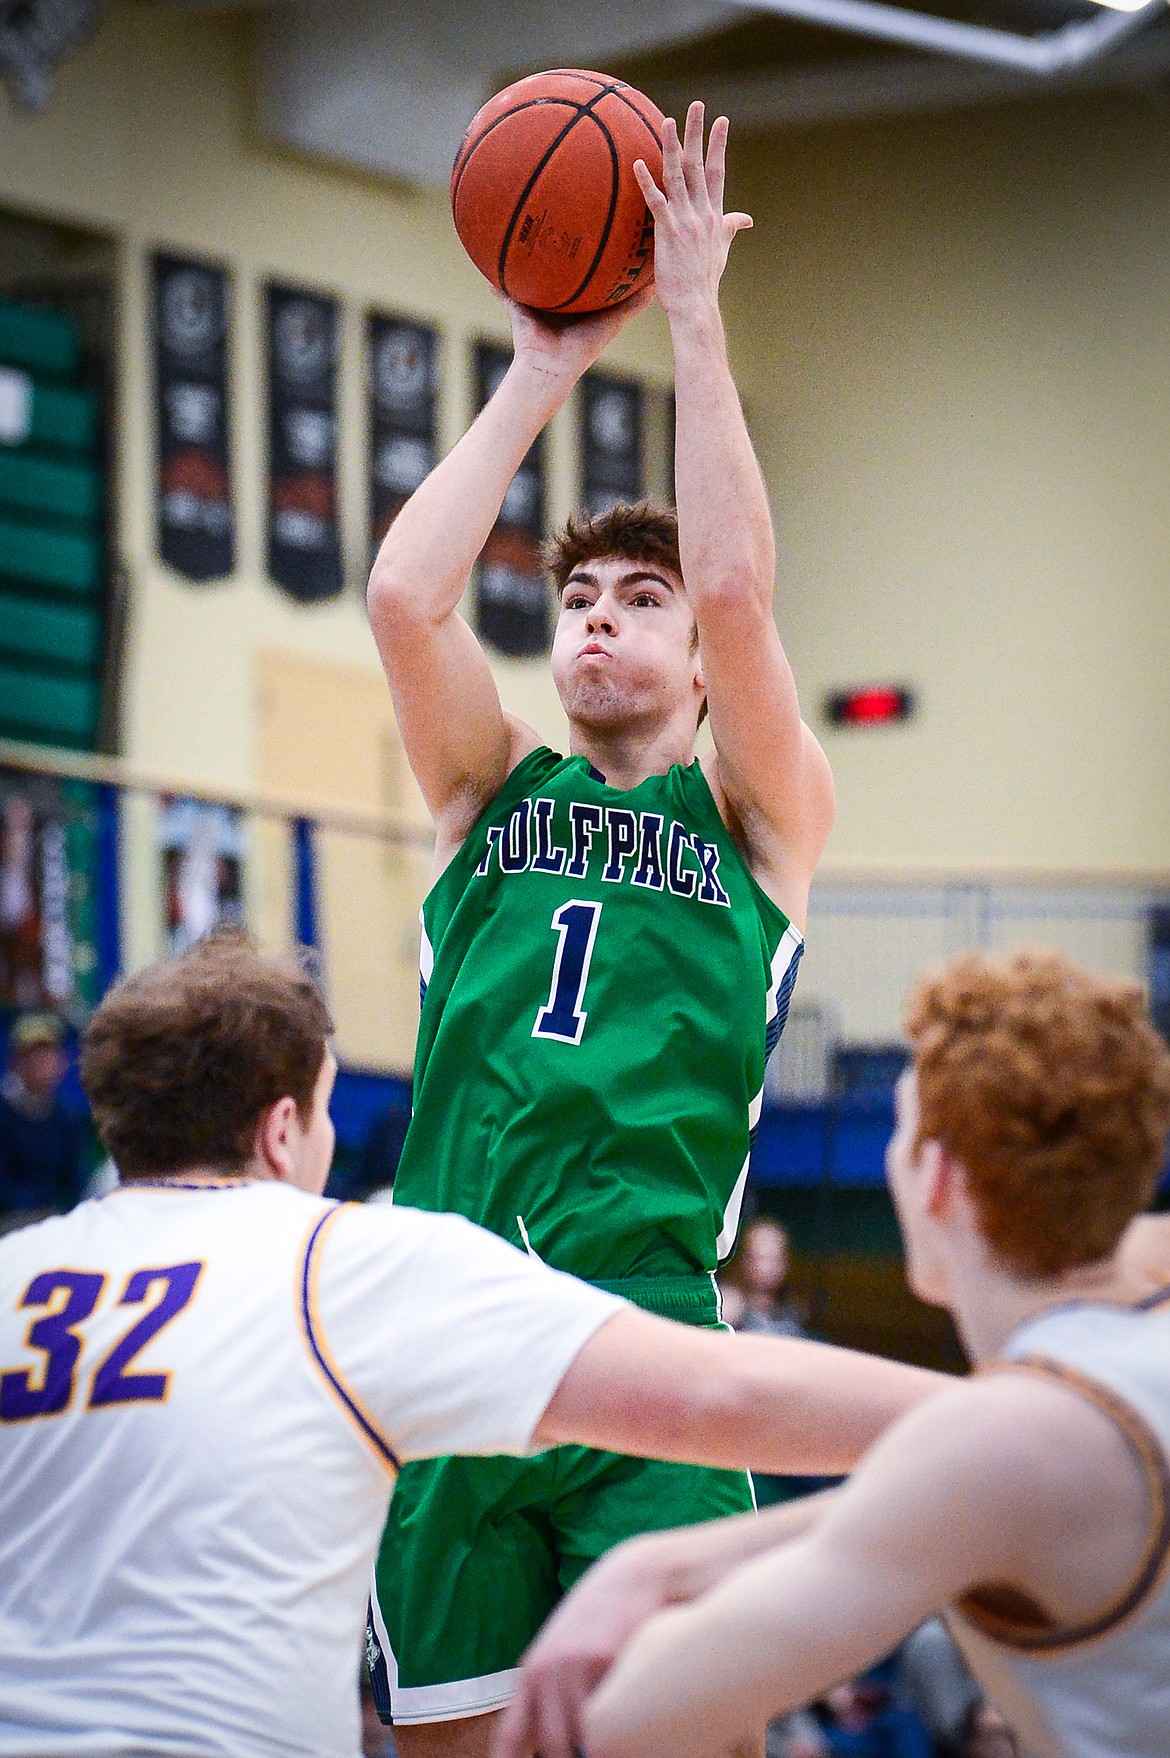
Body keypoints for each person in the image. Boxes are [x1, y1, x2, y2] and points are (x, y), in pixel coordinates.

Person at [0, 932, 944, 1758]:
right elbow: (717, 1395)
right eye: (326, 1110)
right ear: (283, 1131)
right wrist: (999, 1412)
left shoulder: (13, 1273)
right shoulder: (341, 1262)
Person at [365, 102, 835, 1749]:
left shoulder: (760, 818)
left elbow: (742, 587)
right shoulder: (486, 790)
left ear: (702, 666)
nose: (599, 618)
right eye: (575, 598)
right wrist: (542, 367)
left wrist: (692, 318)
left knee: (687, 1731)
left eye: (639, 600)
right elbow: (404, 600)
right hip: (451, 1339)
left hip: (647, 1346)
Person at [498, 949, 1170, 1758]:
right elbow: (940, 1498)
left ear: (937, 1180)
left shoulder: (1008, 1441)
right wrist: (660, 1564)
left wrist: (652, 1572)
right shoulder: (1095, 1366)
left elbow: (619, 1724)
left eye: (901, 1131)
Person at [0, 1011, 86, 1234]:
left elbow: (73, 1182)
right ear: (15, 1061)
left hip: (55, 1222)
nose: (42, 1063)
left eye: (49, 1055)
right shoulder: (5, 1113)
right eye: (33, 1054)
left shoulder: (66, 1116)